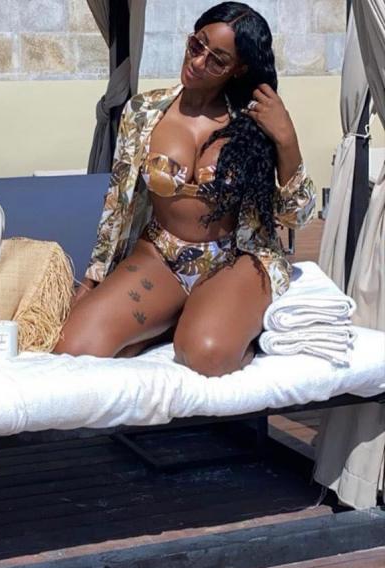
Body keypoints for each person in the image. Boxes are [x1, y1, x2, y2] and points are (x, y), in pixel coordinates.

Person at [53, 1, 316, 376]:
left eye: (217, 60)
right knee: (73, 348)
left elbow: (297, 216)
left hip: (233, 259)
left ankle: (214, 322)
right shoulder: (144, 111)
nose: (198, 62)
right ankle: (175, 318)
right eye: (197, 45)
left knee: (206, 355)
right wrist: (95, 276)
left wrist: (286, 139)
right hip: (160, 256)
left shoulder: (253, 123)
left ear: (238, 69)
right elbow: (117, 201)